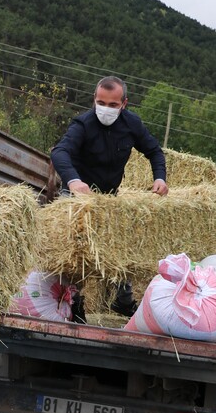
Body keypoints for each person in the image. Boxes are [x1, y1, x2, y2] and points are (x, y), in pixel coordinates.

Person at [50, 75, 168, 317]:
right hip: (76, 197)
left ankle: (123, 301)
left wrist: (160, 178)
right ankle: (74, 302)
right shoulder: (83, 124)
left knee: (119, 244)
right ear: (94, 99)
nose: (106, 109)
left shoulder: (132, 124)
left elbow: (155, 151)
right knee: (75, 250)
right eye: (101, 103)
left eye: (113, 105)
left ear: (124, 103)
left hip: (108, 196)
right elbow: (60, 152)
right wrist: (74, 181)